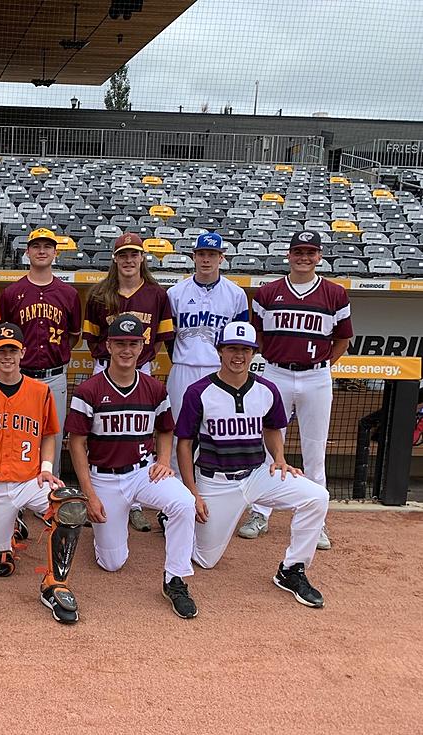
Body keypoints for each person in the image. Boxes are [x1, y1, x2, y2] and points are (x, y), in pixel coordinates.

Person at [175, 322, 329, 608]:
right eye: (232, 348)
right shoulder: (199, 392)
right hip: (215, 481)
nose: (239, 355)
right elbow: (184, 444)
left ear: (254, 353)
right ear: (220, 351)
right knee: (206, 560)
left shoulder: (266, 389)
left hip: (258, 474)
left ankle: (292, 569)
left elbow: (272, 428)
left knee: (317, 497)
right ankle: (181, 523)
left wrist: (280, 459)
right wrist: (192, 493)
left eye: (246, 350)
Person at [66, 314, 198, 619]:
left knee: (184, 503)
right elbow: (76, 443)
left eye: (134, 343)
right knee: (112, 563)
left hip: (142, 472)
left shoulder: (154, 388)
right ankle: (108, 530)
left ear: (142, 347)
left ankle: (175, 579)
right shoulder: (88, 391)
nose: (127, 349)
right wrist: (89, 494)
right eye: (121, 343)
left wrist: (164, 460)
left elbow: (166, 429)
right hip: (104, 479)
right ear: (108, 346)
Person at [0, 323, 86, 624]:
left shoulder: (40, 392)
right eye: (2, 350)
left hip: (30, 480)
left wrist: (47, 469)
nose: (7, 356)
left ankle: (55, 583)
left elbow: (50, 434)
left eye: (13, 350)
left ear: (23, 353)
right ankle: (12, 527)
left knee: (71, 507)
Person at [239, 230, 352, 550]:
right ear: (288, 255)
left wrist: (322, 365)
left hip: (316, 376)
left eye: (310, 252)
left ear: (319, 256)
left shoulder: (335, 294)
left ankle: (316, 521)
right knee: (269, 448)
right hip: (275, 372)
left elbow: (342, 338)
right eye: (298, 251)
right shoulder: (267, 292)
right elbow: (256, 335)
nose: (304, 257)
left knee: (315, 453)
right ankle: (260, 512)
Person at [82, 232, 174, 532]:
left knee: (139, 434)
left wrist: (139, 360)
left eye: (134, 254)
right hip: (103, 369)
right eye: (123, 255)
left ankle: (134, 502)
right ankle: (95, 494)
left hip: (141, 370)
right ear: (115, 258)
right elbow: (91, 336)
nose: (129, 260)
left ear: (142, 258)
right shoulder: (99, 294)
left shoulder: (157, 294)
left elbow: (161, 338)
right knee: (98, 433)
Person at [0, 228, 81, 479]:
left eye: (47, 246)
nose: (42, 251)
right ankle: (18, 492)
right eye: (36, 246)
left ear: (55, 252)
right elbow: (4, 337)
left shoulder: (69, 294)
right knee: (17, 434)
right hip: (19, 377)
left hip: (54, 377)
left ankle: (49, 495)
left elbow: (73, 336)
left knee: (53, 437)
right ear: (27, 251)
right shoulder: (12, 293)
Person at [165, 232, 249, 467]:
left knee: (217, 430)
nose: (206, 259)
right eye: (201, 254)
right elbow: (168, 336)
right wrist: (180, 356)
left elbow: (240, 340)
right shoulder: (175, 293)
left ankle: (212, 485)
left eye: (212, 254)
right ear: (194, 256)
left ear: (221, 258)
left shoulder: (236, 294)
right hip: (183, 368)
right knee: (178, 431)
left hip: (217, 370)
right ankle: (176, 490)